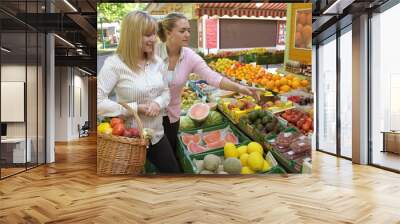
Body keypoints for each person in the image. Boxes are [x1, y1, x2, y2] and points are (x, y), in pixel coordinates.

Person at [157, 12, 261, 159]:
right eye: (182, 31)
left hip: (172, 116)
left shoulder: (190, 56)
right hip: (149, 116)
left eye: (189, 30)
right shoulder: (152, 53)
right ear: (168, 32)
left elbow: (213, 77)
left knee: (170, 157)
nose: (187, 34)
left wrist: (240, 88)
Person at [97, 11, 180, 173]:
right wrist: (135, 108)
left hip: (156, 136)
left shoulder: (157, 62)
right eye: (148, 35)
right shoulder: (114, 64)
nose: (154, 39)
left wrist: (158, 103)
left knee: (174, 173)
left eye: (154, 34)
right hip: (128, 139)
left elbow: (166, 93)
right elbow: (97, 102)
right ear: (133, 35)